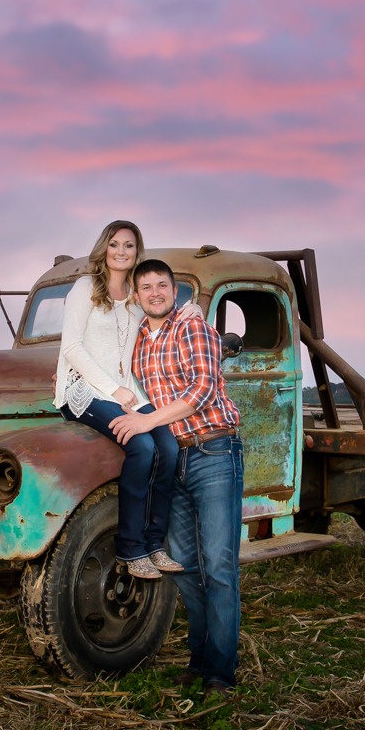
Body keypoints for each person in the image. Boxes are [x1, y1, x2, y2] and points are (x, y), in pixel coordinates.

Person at [109, 257, 244, 700]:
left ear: (175, 291)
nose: (154, 293)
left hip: (212, 452)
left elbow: (202, 390)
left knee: (219, 566)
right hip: (174, 461)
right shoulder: (137, 342)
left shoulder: (193, 328)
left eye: (161, 285)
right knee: (185, 565)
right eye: (145, 286)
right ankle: (199, 659)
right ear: (136, 294)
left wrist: (148, 424)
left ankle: (221, 674)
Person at [53, 221, 185, 579]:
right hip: (85, 389)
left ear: (136, 251)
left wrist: (195, 311)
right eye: (115, 244)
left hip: (127, 390)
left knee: (168, 448)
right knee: (141, 445)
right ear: (105, 248)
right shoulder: (85, 288)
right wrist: (114, 391)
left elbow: (168, 313)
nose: (121, 252)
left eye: (129, 245)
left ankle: (155, 543)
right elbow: (73, 348)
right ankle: (130, 549)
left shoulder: (136, 296)